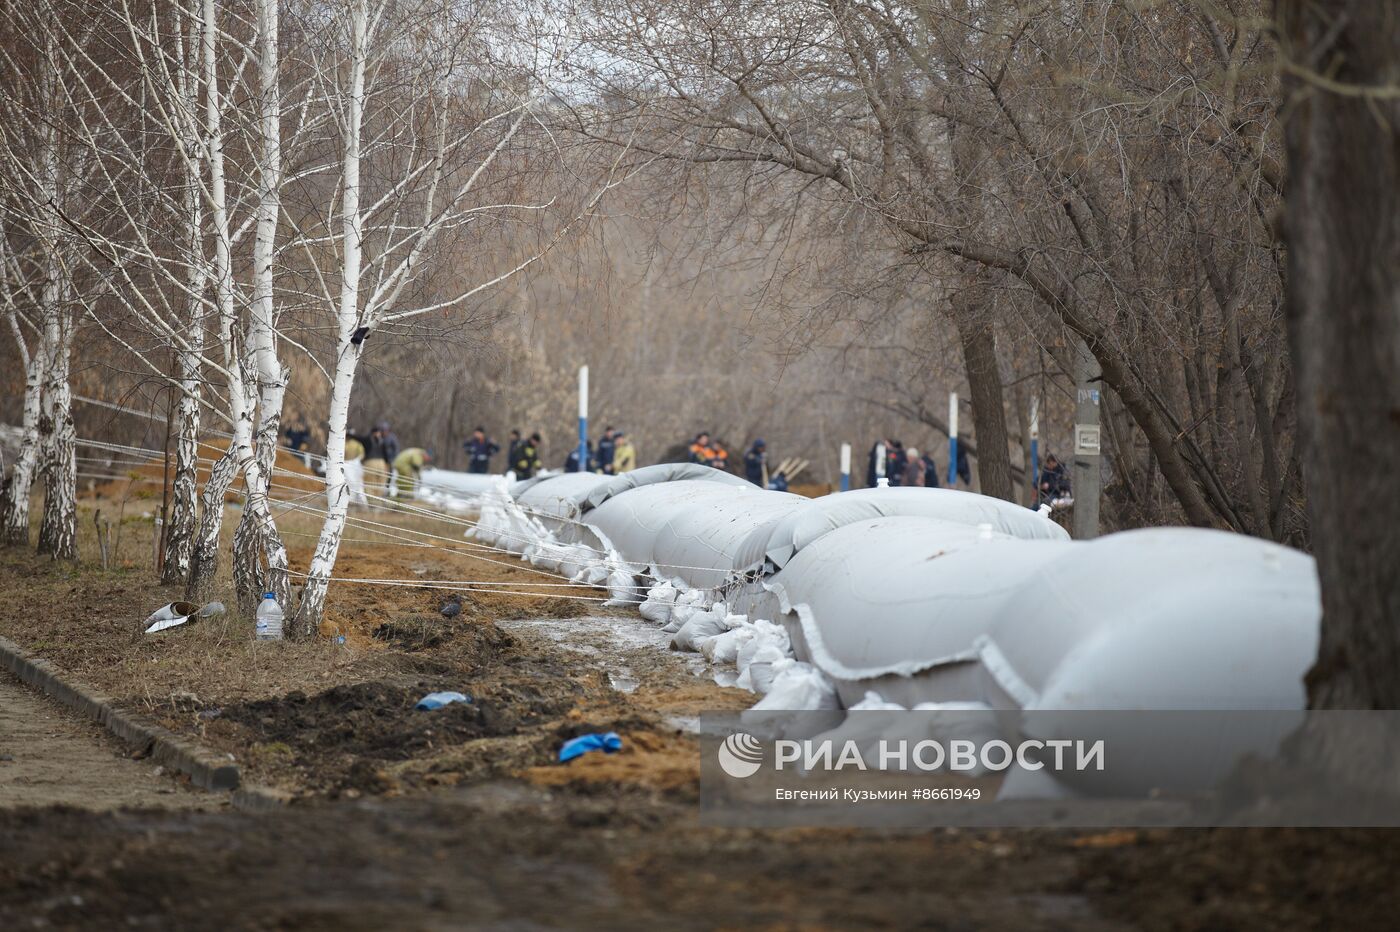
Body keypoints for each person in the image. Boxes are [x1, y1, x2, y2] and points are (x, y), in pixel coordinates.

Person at [362, 422, 397, 496]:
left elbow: (395, 449)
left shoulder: (391, 438)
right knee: (372, 481)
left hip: (387, 461)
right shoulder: (375, 438)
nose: (384, 432)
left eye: (386, 430)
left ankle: (386, 493)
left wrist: (391, 459)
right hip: (378, 462)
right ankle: (373, 496)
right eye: (383, 430)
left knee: (386, 479)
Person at [343, 429, 368, 506]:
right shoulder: (355, 444)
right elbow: (362, 455)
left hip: (353, 467)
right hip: (349, 466)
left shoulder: (346, 443)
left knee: (354, 484)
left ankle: (352, 500)